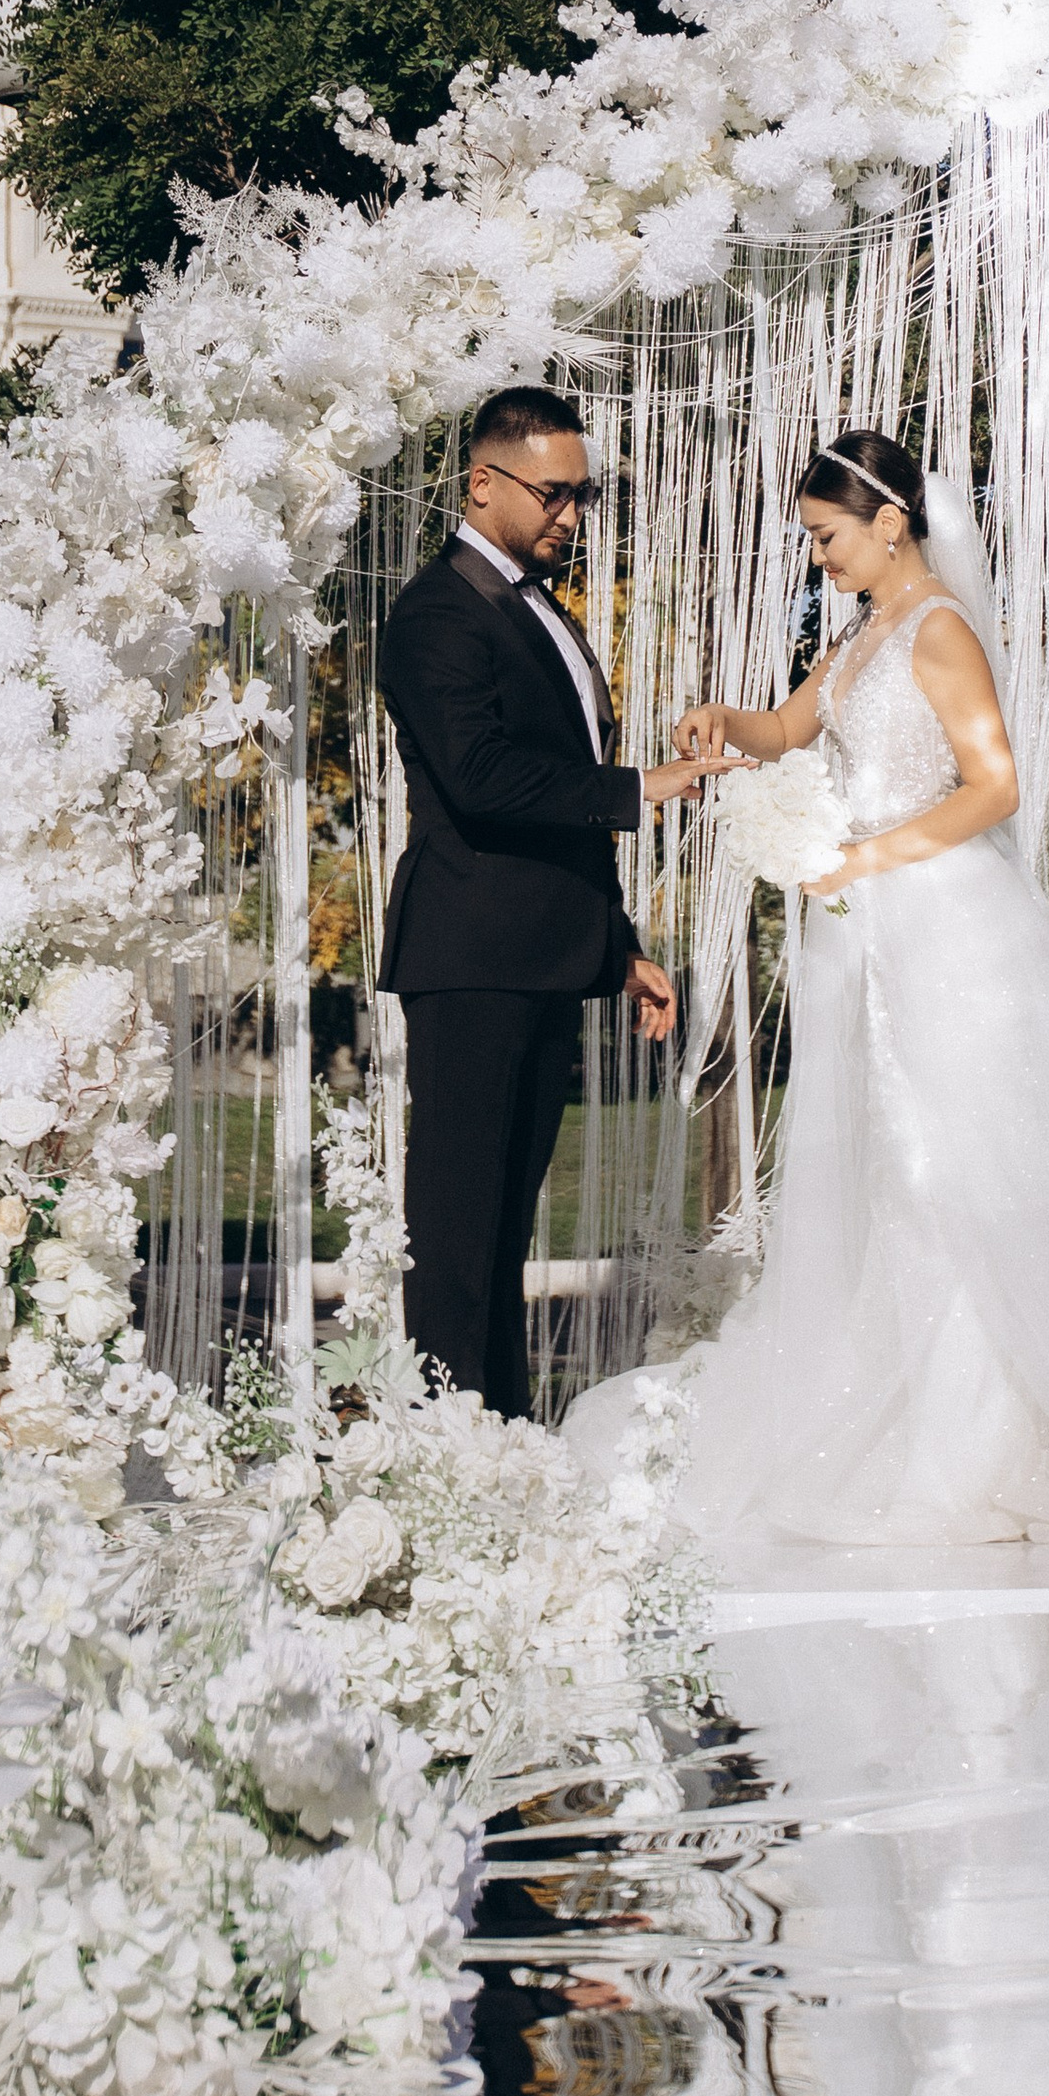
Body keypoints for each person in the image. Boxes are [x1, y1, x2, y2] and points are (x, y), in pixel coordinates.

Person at [605, 428, 1049, 1553]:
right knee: (887, 1171)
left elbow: (993, 786)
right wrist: (721, 724)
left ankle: (979, 1441)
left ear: (891, 522)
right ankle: (907, 1414)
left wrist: (865, 857)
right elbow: (790, 728)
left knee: (951, 1172)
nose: (818, 559)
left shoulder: (938, 631)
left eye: (827, 537)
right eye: (809, 541)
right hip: (868, 934)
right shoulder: (858, 637)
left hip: (943, 930)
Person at [376, 387, 717, 1416]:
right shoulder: (435, 613)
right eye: (554, 493)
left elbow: (549, 798)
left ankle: (501, 1442)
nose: (571, 514)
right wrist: (636, 790)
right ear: (482, 484)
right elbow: (480, 778)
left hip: (542, 954)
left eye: (585, 493)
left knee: (504, 1227)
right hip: (471, 956)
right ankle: (445, 1443)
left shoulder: (541, 609)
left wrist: (617, 946)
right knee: (455, 1234)